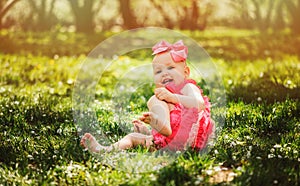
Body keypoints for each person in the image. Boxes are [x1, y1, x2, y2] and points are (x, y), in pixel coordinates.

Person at [80, 40, 214, 153]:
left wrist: (173, 97)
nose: (164, 73)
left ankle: (104, 149)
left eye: (170, 68)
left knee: (132, 138)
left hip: (188, 138)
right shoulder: (164, 95)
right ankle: (154, 130)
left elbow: (199, 103)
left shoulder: (188, 87)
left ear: (186, 73)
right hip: (180, 141)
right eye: (158, 71)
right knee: (155, 100)